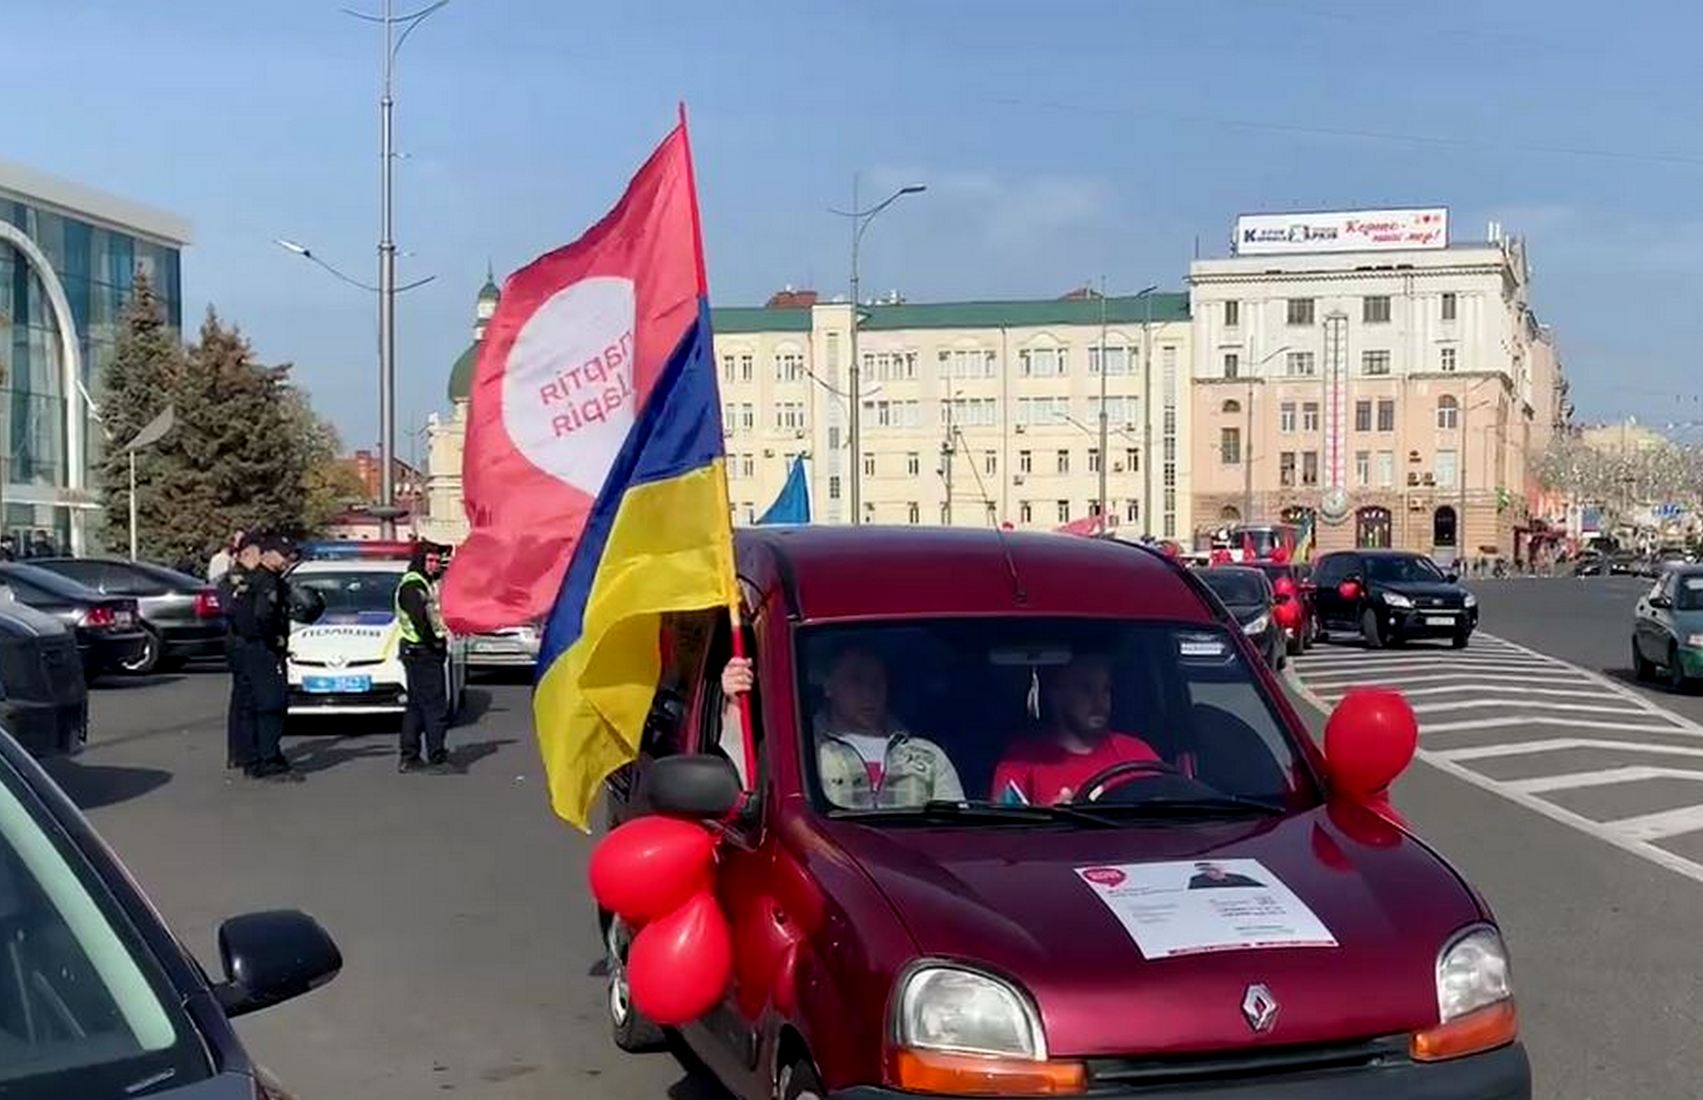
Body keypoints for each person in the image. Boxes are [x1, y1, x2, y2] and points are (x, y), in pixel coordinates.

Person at [719, 642, 963, 809]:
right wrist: (735, 703)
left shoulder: (927, 756)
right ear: (829, 686)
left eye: (877, 680)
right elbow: (745, 787)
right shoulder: (797, 751)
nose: (870, 691)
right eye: (855, 679)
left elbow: (956, 834)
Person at [989, 653, 1161, 806]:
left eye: (1105, 689)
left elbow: (1172, 800)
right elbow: (1006, 833)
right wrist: (1052, 820)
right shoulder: (1021, 762)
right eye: (1086, 690)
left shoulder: (1136, 753)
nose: (1099, 701)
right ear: (1056, 695)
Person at [228, 533, 300, 781]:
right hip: (262, 649)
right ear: (268, 553)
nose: (286, 561)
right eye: (283, 555)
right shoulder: (268, 582)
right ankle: (268, 760)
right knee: (272, 704)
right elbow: (263, 616)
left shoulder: (251, 579)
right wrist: (275, 641)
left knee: (251, 705)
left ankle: (252, 759)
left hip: (247, 649)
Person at [395, 540, 453, 774]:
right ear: (419, 561)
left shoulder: (423, 583)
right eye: (430, 560)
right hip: (423, 652)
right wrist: (435, 642)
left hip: (417, 651)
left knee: (416, 707)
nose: (434, 565)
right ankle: (436, 756)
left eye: (437, 561)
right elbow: (421, 620)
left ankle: (410, 756)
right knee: (434, 707)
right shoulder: (413, 586)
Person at [219, 535, 261, 772]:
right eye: (258, 553)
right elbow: (231, 607)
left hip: (242, 642)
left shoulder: (250, 576)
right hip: (240, 642)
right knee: (244, 699)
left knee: (246, 698)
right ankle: (242, 751)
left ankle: (242, 750)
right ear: (247, 554)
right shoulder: (237, 577)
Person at [1188, 862, 1264, 890]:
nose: (1210, 872)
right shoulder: (1197, 880)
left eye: (1213, 869)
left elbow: (1261, 888)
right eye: (1205, 870)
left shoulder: (1240, 878)